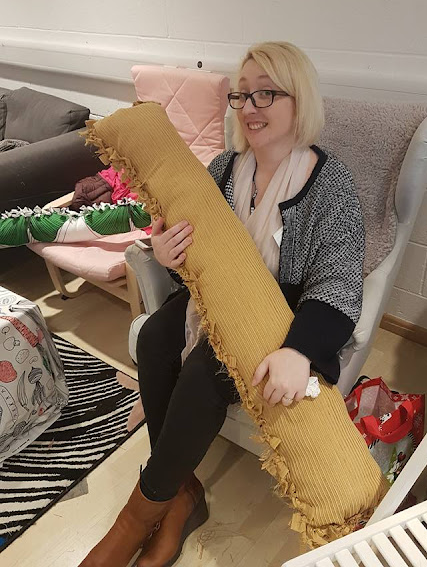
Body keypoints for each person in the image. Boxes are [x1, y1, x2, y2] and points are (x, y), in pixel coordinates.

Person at [80, 41, 365, 567]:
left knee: (207, 373)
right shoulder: (221, 170)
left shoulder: (332, 185)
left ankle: (137, 519)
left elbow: (341, 284)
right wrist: (167, 254)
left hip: (279, 314)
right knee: (153, 336)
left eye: (267, 94)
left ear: (298, 100)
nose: (251, 108)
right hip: (212, 301)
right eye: (242, 96)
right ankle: (179, 494)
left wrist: (299, 351)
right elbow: (189, 252)